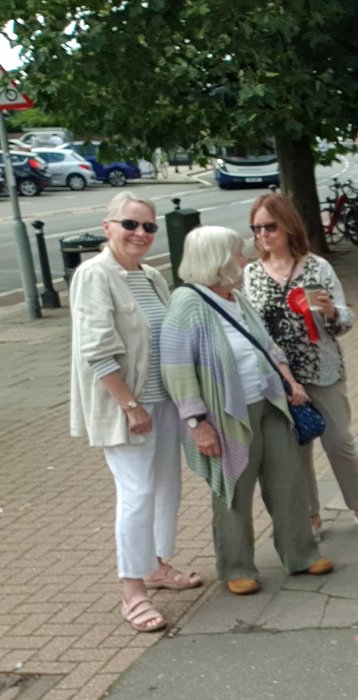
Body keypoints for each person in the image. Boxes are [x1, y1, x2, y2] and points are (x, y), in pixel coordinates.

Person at [161, 226, 333, 597]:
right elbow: (176, 368)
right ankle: (237, 567)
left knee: (288, 481)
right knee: (234, 491)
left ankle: (301, 554)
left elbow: (266, 345)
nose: (245, 259)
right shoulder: (187, 302)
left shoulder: (235, 297)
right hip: (226, 414)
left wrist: (289, 379)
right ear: (218, 260)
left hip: (269, 402)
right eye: (238, 253)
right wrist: (197, 422)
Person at [68, 191, 199, 633]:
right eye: (130, 224)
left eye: (148, 226)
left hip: (164, 401)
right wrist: (129, 404)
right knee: (137, 493)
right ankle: (132, 591)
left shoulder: (151, 276)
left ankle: (157, 566)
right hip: (127, 406)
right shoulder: (94, 275)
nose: (140, 234)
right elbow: (97, 350)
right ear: (108, 227)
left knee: (166, 487)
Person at [243, 193, 358, 540]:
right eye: (256, 228)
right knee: (296, 450)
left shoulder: (318, 267)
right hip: (280, 379)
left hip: (323, 370)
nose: (263, 235)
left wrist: (332, 312)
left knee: (339, 441)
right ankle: (311, 516)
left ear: (288, 226)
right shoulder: (252, 274)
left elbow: (346, 320)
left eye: (270, 227)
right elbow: (250, 329)